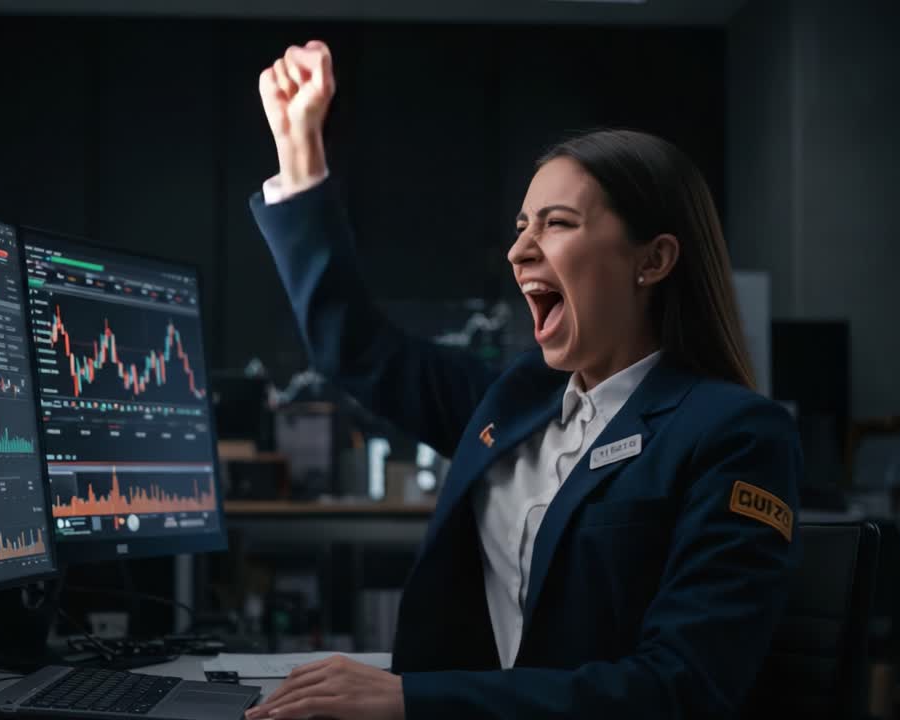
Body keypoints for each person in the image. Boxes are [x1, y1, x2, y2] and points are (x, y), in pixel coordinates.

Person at [244, 41, 801, 720]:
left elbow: (678, 690)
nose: (519, 250)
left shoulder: (734, 435)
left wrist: (410, 701)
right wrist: (300, 153)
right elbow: (355, 347)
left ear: (652, 260)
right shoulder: (513, 400)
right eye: (520, 227)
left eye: (558, 224)